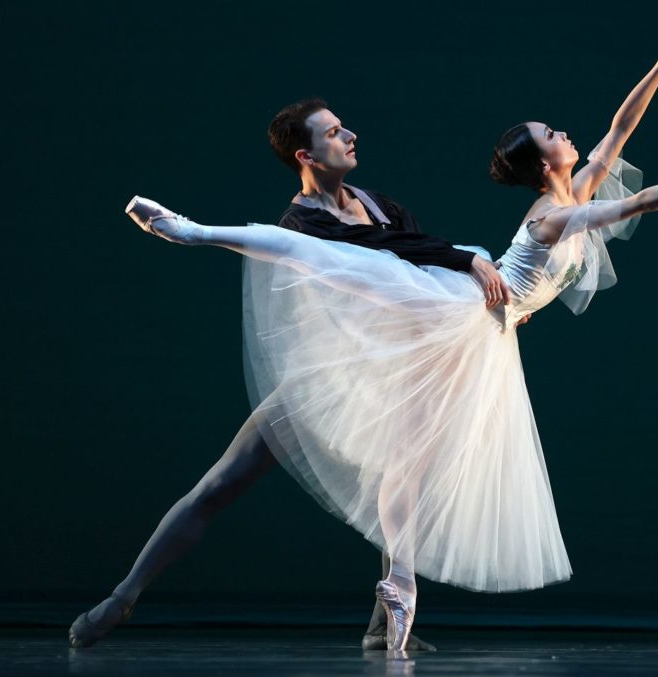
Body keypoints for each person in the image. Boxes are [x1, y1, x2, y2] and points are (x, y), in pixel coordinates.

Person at [123, 44, 658, 652]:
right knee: (327, 272)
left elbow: (621, 129)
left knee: (410, 463)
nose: (568, 137)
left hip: (482, 322)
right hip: (453, 311)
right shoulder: (550, 214)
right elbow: (642, 202)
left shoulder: (577, 188)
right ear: (545, 164)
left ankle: (391, 603)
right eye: (554, 136)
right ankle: (192, 230)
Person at [68, 100, 514, 651]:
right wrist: (467, 259)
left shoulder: (380, 204)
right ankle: (123, 596)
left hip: (388, 373)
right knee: (221, 483)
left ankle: (384, 624)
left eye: (343, 127)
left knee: (403, 488)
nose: (349, 135)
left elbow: (415, 274)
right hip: (328, 381)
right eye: (333, 132)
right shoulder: (302, 224)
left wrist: (482, 291)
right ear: (306, 154)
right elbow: (381, 252)